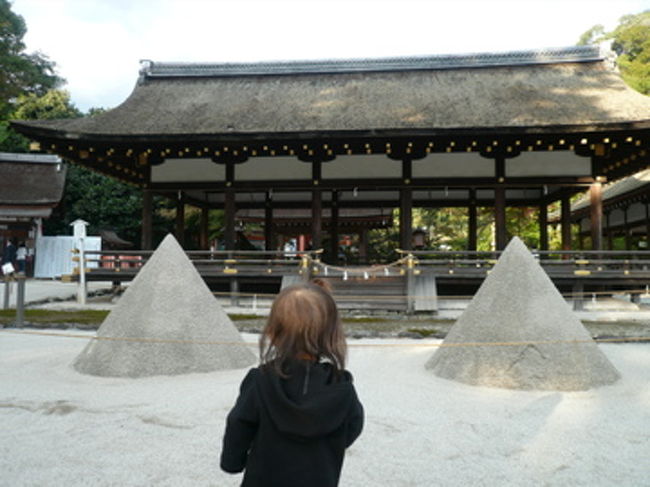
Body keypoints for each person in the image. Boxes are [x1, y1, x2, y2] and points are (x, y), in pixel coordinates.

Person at [220, 283, 364, 487]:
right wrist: (329, 445)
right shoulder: (341, 387)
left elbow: (239, 422)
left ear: (273, 332)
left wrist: (232, 462)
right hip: (320, 477)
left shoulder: (261, 380)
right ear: (331, 334)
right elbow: (353, 426)